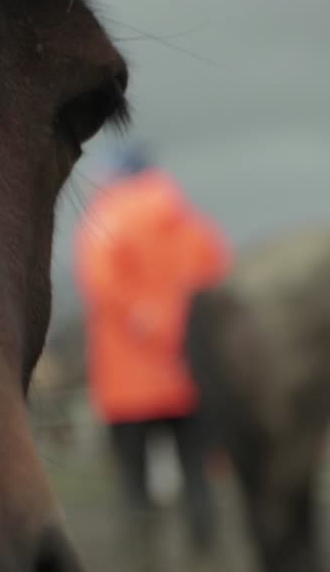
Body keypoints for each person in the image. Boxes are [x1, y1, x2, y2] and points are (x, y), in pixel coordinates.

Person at [74, 143, 232, 569]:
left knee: (133, 482)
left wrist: (152, 327)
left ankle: (144, 562)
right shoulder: (192, 224)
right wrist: (179, 338)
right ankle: (209, 557)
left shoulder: (104, 222)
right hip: (188, 376)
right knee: (197, 476)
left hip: (127, 386)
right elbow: (218, 286)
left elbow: (103, 287)